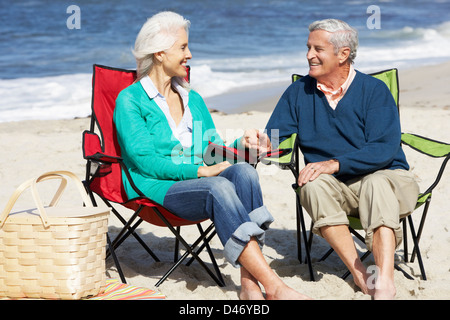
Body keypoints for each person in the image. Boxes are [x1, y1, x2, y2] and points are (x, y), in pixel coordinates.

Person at [113, 11, 310, 300]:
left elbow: (211, 149)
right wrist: (199, 172)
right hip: (155, 186)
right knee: (217, 186)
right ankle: (274, 285)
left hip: (197, 183)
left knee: (244, 171)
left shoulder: (193, 99)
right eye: (182, 47)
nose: (189, 54)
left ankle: (249, 286)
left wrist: (241, 146)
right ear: (158, 53)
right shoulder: (130, 100)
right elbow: (144, 161)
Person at [243, 19, 419, 299]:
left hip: (390, 183)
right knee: (311, 185)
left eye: (318, 49)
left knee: (376, 182)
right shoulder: (298, 92)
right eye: (308, 47)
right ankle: (361, 272)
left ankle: (384, 279)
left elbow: (384, 149)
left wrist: (334, 163)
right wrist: (260, 144)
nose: (309, 55)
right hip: (340, 190)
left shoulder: (373, 91)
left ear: (343, 54)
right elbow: (275, 140)